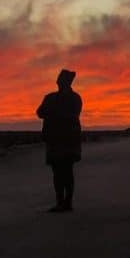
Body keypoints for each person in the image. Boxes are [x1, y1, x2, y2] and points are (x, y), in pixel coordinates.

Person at [35, 68, 83, 212]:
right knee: (60, 172)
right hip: (57, 140)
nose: (58, 81)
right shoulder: (51, 97)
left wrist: (54, 113)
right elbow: (40, 112)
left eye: (60, 79)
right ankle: (62, 202)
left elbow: (72, 115)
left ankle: (66, 203)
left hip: (65, 140)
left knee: (65, 171)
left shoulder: (73, 98)